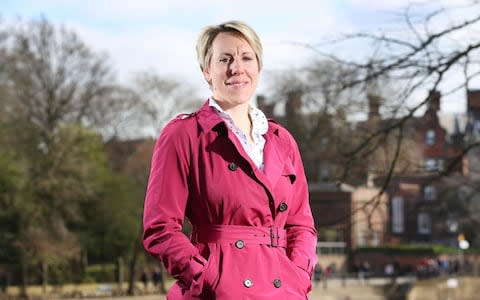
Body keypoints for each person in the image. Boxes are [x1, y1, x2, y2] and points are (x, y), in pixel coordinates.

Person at [143, 20, 317, 299]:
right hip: (218, 292)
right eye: (225, 59)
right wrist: (208, 278)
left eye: (246, 57)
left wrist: (298, 274)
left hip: (284, 291)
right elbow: (160, 229)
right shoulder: (185, 135)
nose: (237, 67)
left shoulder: (282, 140)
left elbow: (301, 225)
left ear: (258, 67)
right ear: (206, 71)